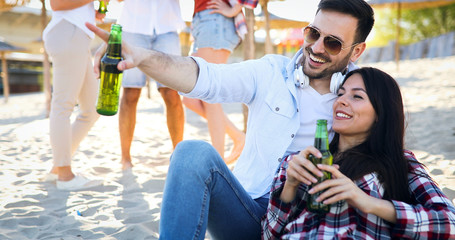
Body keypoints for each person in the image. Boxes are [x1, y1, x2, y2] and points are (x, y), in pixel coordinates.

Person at [86, 0, 375, 238]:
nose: (317, 48)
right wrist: (142, 57)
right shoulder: (271, 72)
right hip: (249, 212)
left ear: (357, 51)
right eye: (313, 34)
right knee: (191, 153)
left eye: (334, 43)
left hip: (314, 223)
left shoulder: (364, 99)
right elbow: (203, 76)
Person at [261, 67, 455, 239]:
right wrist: (290, 186)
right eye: (341, 94)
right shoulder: (300, 161)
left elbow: (449, 224)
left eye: (357, 96)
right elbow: (268, 234)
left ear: (380, 113)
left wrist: (368, 202)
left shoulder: (399, 163)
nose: (341, 102)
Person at [42, 0, 107, 190]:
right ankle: (65, 175)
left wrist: (91, 12)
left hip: (78, 35)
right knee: (63, 106)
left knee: (93, 109)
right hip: (68, 32)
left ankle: (58, 167)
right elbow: (56, 3)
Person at [116, 0, 186, 170]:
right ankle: (125, 158)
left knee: (172, 93)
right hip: (133, 26)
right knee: (131, 93)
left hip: (167, 27)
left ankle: (178, 154)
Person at [182, 0, 248, 164]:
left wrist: (235, 8)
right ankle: (238, 137)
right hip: (202, 22)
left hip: (215, 21)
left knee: (209, 95)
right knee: (190, 99)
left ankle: (218, 161)